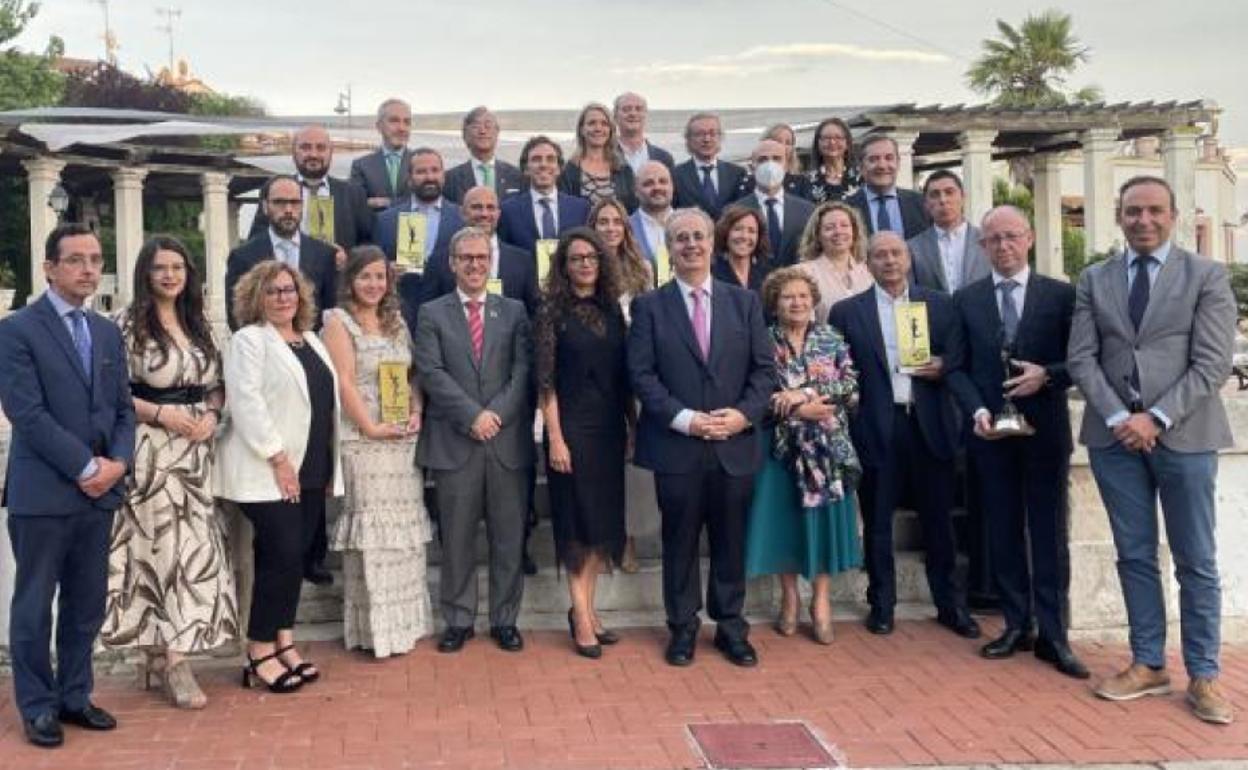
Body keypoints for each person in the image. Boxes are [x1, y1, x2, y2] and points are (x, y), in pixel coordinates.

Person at [1068, 176, 1236, 725]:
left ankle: (1204, 674)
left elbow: (1211, 362)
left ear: (1173, 215)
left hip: (1184, 436)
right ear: (1119, 217)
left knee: (1196, 559)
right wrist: (1121, 418)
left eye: (1153, 211)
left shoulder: (1206, 275)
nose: (1143, 220)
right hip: (1115, 439)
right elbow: (1083, 358)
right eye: (1133, 211)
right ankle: (1147, 664)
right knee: (1135, 554)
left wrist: (1156, 417)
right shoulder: (1095, 279)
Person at [0, 224, 136, 748]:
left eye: (95, 259)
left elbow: (123, 407)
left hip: (100, 494)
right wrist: (86, 468)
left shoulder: (105, 332)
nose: (87, 268)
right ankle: (36, 705)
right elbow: (26, 413)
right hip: (45, 493)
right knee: (34, 604)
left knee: (86, 602)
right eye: (75, 259)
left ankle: (75, 695)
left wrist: (118, 463)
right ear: (50, 268)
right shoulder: (17, 331)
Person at [628, 208, 776, 668]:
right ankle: (683, 628)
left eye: (698, 237)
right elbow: (641, 374)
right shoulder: (650, 306)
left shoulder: (744, 302)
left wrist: (742, 416)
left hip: (734, 444)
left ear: (713, 244)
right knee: (680, 542)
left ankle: (731, 626)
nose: (690, 245)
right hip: (679, 446)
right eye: (680, 239)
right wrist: (685, 419)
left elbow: (764, 371)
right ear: (668, 250)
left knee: (731, 541)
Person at [945, 206, 1087, 678]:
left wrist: (1047, 376)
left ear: (1028, 238)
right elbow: (956, 368)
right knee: (1002, 531)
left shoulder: (1062, 295)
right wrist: (977, 410)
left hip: (1044, 432)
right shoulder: (966, 300)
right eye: (993, 239)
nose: (1003, 246)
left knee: (1048, 534)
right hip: (991, 434)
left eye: (1011, 237)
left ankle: (1054, 634)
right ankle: (1014, 624)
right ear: (982, 246)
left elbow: (1083, 361)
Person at [100, 236, 237, 710]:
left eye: (177, 267)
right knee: (158, 551)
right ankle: (172, 659)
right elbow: (111, 393)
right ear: (145, 272)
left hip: (196, 453)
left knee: (193, 550)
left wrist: (212, 417)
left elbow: (219, 386)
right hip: (151, 449)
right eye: (161, 267)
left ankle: (165, 653)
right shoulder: (125, 325)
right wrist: (161, 416)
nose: (170, 275)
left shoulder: (200, 324)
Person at [826, 232, 978, 639]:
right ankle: (882, 604)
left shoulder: (940, 304)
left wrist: (943, 365)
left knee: (938, 521)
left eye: (896, 253)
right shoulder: (847, 312)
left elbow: (961, 358)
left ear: (908, 258)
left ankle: (950, 604)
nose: (889, 261)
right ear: (867, 263)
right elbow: (838, 368)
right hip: (877, 425)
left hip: (929, 424)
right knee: (877, 521)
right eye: (880, 255)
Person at [216, 261, 343, 694]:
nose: (282, 297)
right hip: (269, 470)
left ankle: (284, 640)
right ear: (256, 298)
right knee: (280, 556)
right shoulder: (249, 340)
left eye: (289, 289)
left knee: (297, 556)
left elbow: (324, 405)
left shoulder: (310, 340)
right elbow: (246, 403)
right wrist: (278, 459)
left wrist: (326, 464)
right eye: (272, 291)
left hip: (311, 468)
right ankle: (257, 652)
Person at [414, 228, 535, 654]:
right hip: (456, 443)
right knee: (458, 540)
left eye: (481, 257)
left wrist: (495, 415)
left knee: (508, 539)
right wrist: (472, 417)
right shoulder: (431, 313)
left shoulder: (515, 311)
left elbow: (523, 373)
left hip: (506, 444)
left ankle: (505, 620)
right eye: (465, 257)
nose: (474, 264)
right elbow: (431, 372)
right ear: (451, 262)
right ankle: (459, 620)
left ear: (491, 261)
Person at [321, 247, 433, 658]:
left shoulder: (396, 321)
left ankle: (405, 624)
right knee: (373, 534)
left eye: (380, 277)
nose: (373, 285)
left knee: (403, 535)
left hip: (401, 438)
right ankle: (375, 631)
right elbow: (344, 383)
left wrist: (417, 409)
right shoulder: (338, 322)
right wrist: (370, 427)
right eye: (365, 277)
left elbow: (412, 375)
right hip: (364, 440)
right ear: (350, 280)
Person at [746, 267, 861, 645]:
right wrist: (795, 411)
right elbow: (757, 392)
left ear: (813, 301)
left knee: (824, 523)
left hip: (827, 450)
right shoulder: (762, 341)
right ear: (774, 304)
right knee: (786, 522)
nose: (796, 303)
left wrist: (804, 394)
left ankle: (822, 602)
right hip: (781, 448)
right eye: (787, 297)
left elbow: (848, 383)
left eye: (802, 296)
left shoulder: (831, 337)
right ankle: (791, 598)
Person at [536, 229, 631, 658]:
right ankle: (581, 617)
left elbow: (623, 378)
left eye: (591, 257)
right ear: (563, 265)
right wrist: (555, 438)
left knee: (601, 528)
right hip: (570, 430)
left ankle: (586, 611)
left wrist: (630, 426)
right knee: (576, 526)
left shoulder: (613, 310)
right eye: (575, 258)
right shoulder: (551, 312)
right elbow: (546, 383)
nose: (585, 264)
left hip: (609, 430)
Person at [226, 175, 337, 337]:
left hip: (311, 350)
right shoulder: (242, 257)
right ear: (265, 207)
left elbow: (329, 313)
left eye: (294, 202)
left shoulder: (324, 255)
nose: (288, 210)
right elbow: (235, 315)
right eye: (279, 202)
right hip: (263, 352)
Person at [250, 125, 373, 256]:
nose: (313, 154)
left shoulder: (353, 194)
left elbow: (368, 245)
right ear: (293, 152)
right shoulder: (274, 189)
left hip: (338, 274)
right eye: (305, 147)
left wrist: (349, 261)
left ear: (331, 153)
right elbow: (256, 242)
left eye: (320, 148)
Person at [372, 148, 464, 323]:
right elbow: (374, 264)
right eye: (421, 171)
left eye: (435, 170)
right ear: (409, 179)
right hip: (400, 314)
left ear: (443, 175)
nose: (429, 177)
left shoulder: (462, 218)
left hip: (451, 316)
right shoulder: (385, 220)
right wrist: (386, 270)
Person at [425, 186, 540, 317]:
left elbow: (533, 314)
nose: (484, 214)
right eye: (476, 207)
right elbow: (429, 314)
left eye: (490, 208)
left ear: (498, 214)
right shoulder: (438, 260)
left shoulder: (522, 261)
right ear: (462, 213)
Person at [498, 135, 591, 262]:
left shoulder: (580, 209)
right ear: (526, 169)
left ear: (559, 168)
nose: (543, 164)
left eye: (550, 159)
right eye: (536, 159)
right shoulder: (508, 210)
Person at [907, 170, 990, 294]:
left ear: (963, 198)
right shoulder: (913, 247)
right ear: (926, 204)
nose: (943, 200)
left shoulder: (987, 241)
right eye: (935, 195)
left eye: (949, 192)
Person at [735, 140, 815, 266]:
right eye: (762, 160)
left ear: (787, 165)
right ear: (752, 167)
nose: (770, 165)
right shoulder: (735, 211)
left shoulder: (807, 211)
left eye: (777, 159)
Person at [797, 201, 874, 323]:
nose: (838, 232)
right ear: (817, 235)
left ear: (854, 231)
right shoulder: (803, 273)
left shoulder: (870, 272)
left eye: (844, 225)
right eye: (829, 228)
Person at [845, 135, 930, 239]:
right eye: (873, 159)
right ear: (861, 166)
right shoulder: (847, 208)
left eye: (889, 158)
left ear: (898, 163)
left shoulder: (922, 203)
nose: (882, 165)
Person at [558, 102, 638, 211]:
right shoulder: (569, 171)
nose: (598, 128)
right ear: (581, 130)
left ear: (611, 130)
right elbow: (565, 211)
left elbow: (633, 212)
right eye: (592, 123)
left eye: (604, 124)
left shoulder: (624, 171)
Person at [443, 106, 525, 204]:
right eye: (476, 126)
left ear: (497, 133)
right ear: (465, 135)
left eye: (488, 126)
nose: (482, 131)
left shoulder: (517, 176)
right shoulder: (450, 179)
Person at [671, 113, 747, 219]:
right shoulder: (675, 175)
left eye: (712, 133)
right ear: (688, 140)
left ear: (720, 138)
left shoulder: (737, 173)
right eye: (700, 134)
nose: (707, 139)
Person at [590, 197, 653, 314]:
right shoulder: (585, 268)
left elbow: (650, 311)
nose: (611, 228)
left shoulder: (643, 267)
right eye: (603, 222)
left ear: (625, 228)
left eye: (617, 222)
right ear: (593, 227)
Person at [350, 98, 414, 211]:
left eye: (407, 122)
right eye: (394, 121)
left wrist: (386, 202)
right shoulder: (361, 166)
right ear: (379, 126)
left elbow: (427, 200)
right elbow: (355, 204)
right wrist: (404, 201)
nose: (402, 128)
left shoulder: (421, 162)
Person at [629, 160, 675, 281]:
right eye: (648, 183)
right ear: (636, 191)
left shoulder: (690, 223)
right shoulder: (625, 229)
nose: (657, 187)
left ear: (672, 186)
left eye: (663, 181)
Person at [795, 117, 860, 204]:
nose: (832, 142)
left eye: (838, 137)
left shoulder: (861, 178)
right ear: (818, 143)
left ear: (847, 143)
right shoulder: (806, 182)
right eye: (826, 138)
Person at [711, 205, 771, 295]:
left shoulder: (767, 275)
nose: (744, 236)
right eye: (738, 229)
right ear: (725, 233)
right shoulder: (711, 274)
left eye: (751, 231)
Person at [613, 92, 675, 173]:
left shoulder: (664, 158)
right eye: (626, 109)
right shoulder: (604, 156)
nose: (633, 113)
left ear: (646, 115)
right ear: (615, 116)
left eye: (638, 109)